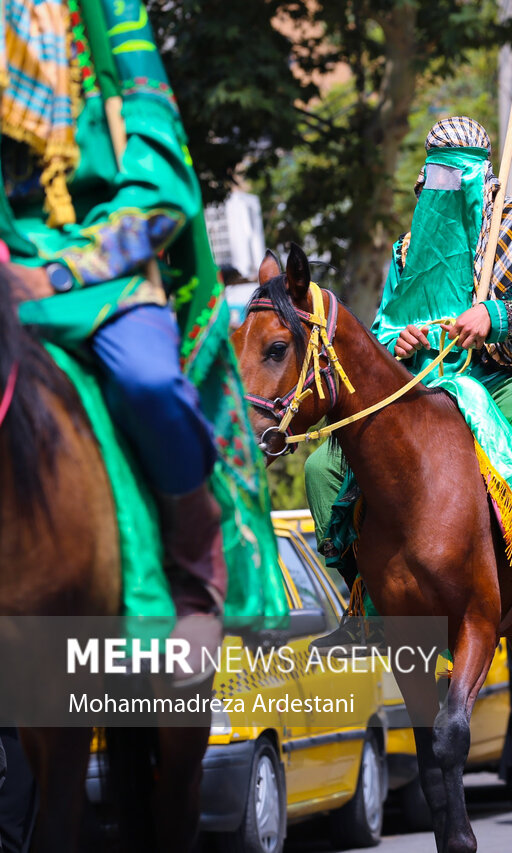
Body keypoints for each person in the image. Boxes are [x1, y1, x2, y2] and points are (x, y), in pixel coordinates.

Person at [3, 0, 266, 670]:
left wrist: (61, 273)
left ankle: (192, 571)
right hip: (6, 261)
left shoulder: (113, 20)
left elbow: (166, 188)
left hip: (105, 273)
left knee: (150, 382)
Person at [311, 116, 512, 646]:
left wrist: (492, 317)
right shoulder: (410, 247)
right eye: (436, 177)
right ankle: (358, 597)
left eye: (457, 177)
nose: (445, 187)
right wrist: (395, 341)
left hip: (505, 375)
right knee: (321, 467)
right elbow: (384, 320)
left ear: (482, 176)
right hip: (425, 383)